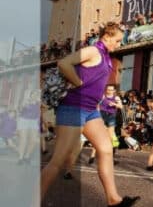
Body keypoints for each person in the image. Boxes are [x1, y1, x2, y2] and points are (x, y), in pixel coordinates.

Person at [40, 22, 140, 207]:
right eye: (117, 40)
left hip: (91, 110)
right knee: (59, 160)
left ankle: (113, 200)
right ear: (107, 36)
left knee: (106, 149)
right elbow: (64, 63)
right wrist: (78, 82)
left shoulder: (105, 55)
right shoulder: (93, 50)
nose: (119, 44)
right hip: (73, 107)